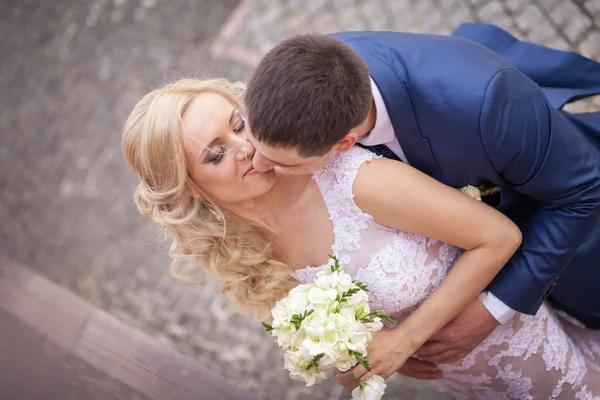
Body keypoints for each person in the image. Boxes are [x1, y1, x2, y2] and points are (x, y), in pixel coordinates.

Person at [122, 78, 600, 399]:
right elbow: (346, 332)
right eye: (216, 154)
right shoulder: (242, 250)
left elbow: (499, 236)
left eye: (238, 124)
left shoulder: (352, 181)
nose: (247, 148)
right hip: (458, 376)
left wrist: (407, 338)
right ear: (190, 189)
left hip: (516, 340)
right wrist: (361, 357)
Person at [242, 23, 600, 385]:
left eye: (282, 163)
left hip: (562, 239)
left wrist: (494, 310)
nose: (254, 164)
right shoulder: (309, 78)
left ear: (345, 144)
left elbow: (581, 194)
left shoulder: (486, 102)